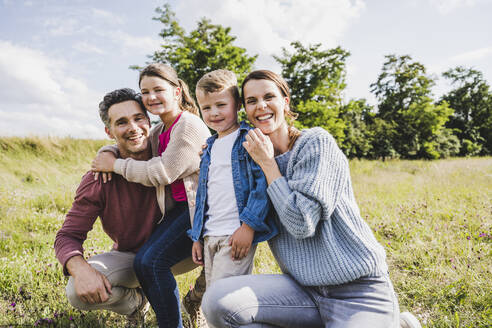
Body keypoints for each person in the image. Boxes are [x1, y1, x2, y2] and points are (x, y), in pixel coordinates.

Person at [201, 70, 422, 328]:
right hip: (301, 291)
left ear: (285, 102)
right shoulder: (248, 157)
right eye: (251, 101)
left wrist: (268, 164)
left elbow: (301, 223)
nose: (261, 106)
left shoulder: (315, 144)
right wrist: (212, 150)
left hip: (357, 290)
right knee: (216, 301)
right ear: (245, 110)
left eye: (269, 96)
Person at [54, 88, 192, 326]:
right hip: (132, 257)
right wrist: (80, 269)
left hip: (184, 253)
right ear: (109, 131)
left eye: (138, 118)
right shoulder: (99, 178)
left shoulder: (170, 156)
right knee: (75, 293)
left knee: (224, 236)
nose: (133, 127)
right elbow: (68, 235)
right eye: (121, 122)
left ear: (149, 121)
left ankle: (198, 298)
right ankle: (137, 303)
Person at [91, 64, 211, 328]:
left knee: (151, 262)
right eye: (145, 91)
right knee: (147, 262)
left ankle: (180, 315)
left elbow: (163, 172)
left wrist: (114, 166)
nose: (151, 97)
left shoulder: (188, 126)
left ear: (177, 91)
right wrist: (108, 151)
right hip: (181, 210)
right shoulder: (160, 129)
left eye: (159, 89)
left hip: (202, 209)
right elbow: (132, 146)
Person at [188, 69, 277, 289]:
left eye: (221, 105)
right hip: (210, 233)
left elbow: (261, 185)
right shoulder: (209, 147)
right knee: (212, 294)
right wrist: (197, 236)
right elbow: (203, 194)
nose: (214, 113)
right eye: (206, 108)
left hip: (235, 234)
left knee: (224, 297)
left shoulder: (249, 139)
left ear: (237, 105)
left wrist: (248, 227)